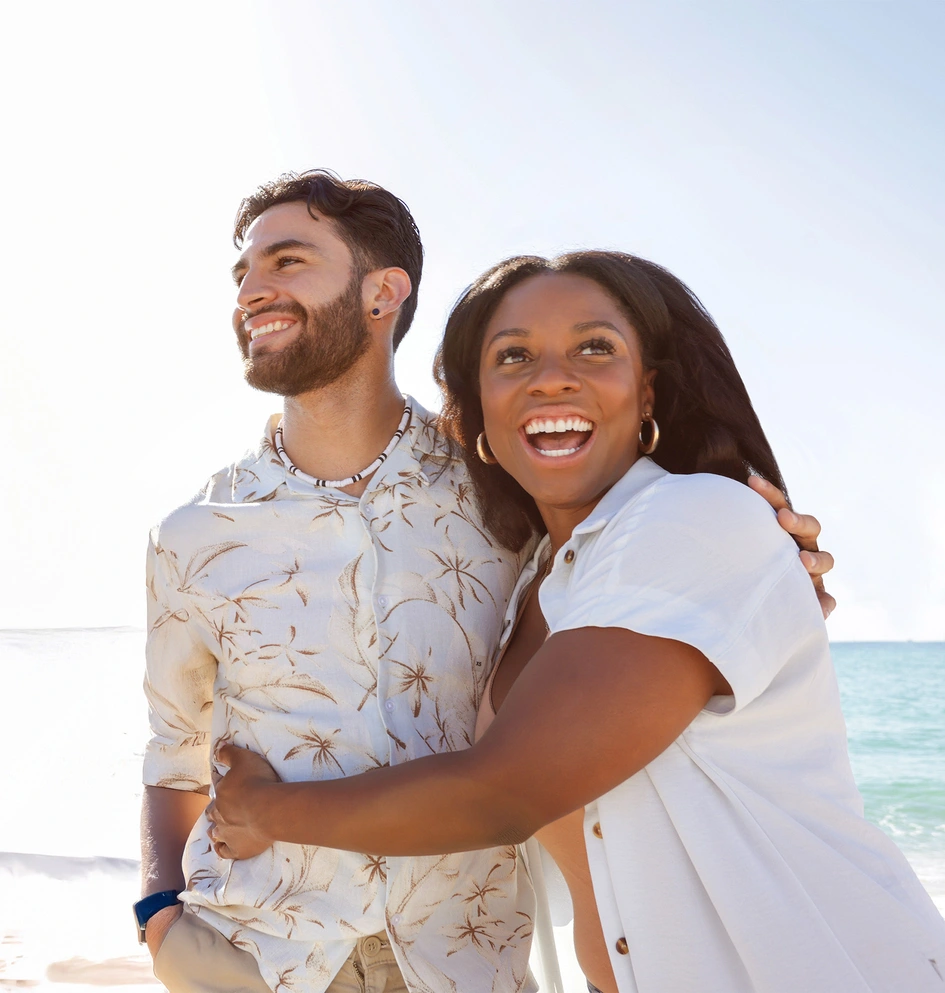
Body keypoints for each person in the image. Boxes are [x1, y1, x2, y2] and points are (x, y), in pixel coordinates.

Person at [137, 169, 831, 993]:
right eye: (243, 273)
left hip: (464, 964)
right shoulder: (193, 535)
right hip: (251, 959)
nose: (253, 290)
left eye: (286, 261)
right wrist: (158, 914)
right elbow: (173, 755)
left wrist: (771, 549)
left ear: (382, 292)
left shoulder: (508, 487)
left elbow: (647, 556)